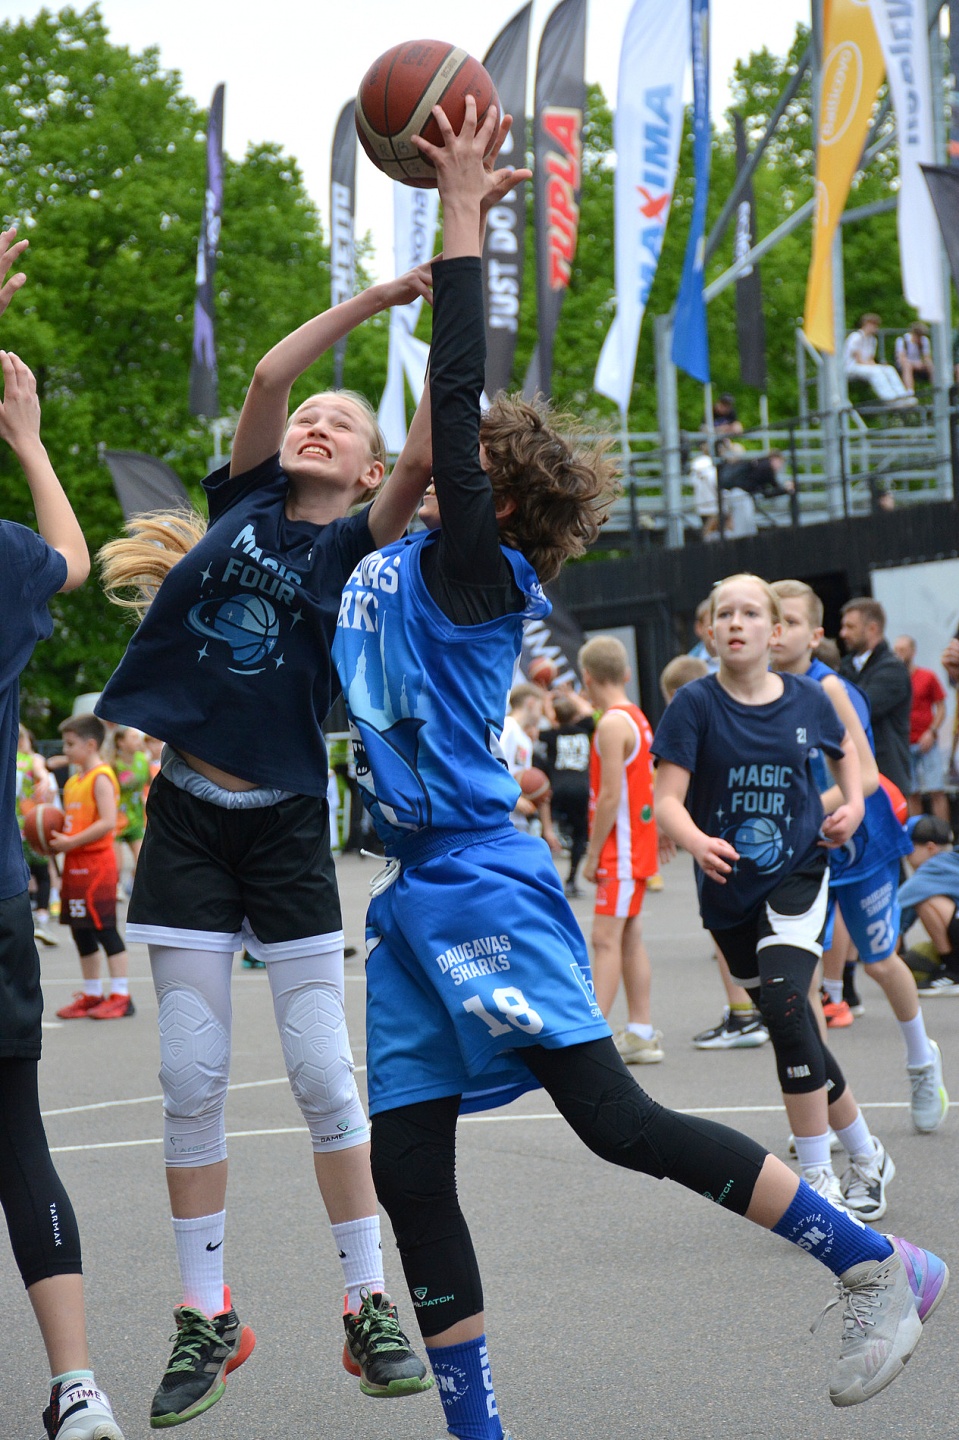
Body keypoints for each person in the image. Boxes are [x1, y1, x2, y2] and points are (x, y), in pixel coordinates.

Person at [332, 101, 948, 1435]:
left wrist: (456, 208)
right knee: (405, 1168)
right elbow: (397, 426)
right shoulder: (383, 554)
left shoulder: (468, 573)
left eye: (461, 457)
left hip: (483, 880)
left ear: (492, 497)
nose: (435, 454)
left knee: (613, 1121)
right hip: (412, 896)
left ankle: (875, 1262)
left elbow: (454, 382)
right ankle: (476, 1429)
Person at [94, 242, 454, 1422]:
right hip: (188, 818)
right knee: (188, 1076)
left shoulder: (355, 546)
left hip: (287, 822)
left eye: (340, 424)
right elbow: (265, 375)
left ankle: (366, 1304)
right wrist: (375, 297)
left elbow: (424, 452)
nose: (314, 422)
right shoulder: (244, 499)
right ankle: (205, 1314)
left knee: (320, 1076)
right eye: (310, 416)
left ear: (364, 472)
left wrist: (444, 302)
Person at [654, 574, 895, 1217]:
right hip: (727, 887)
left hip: (797, 869)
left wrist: (850, 803)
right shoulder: (694, 705)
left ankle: (817, 1180)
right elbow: (666, 801)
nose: (737, 622)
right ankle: (866, 1151)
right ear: (710, 632)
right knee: (792, 1026)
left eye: (751, 613)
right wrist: (697, 840)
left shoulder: (808, 698)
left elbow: (847, 756)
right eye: (725, 613)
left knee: (789, 1009)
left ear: (776, 630)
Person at [0, 224, 127, 1440]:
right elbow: (76, 559)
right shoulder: (3, 565)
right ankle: (79, 1385)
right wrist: (30, 440)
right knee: (18, 1143)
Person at [771, 580, 947, 1147]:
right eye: (771, 620)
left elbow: (866, 776)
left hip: (862, 842)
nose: (777, 631)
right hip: (804, 851)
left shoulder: (831, 689)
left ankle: (922, 1059)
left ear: (814, 635)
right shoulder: (759, 690)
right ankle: (820, 1105)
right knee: (803, 982)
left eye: (790, 621)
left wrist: (804, 810)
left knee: (878, 961)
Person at [659, 655, 770, 1051]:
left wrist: (672, 826)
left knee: (726, 925)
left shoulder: (696, 720)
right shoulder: (736, 715)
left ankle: (744, 1015)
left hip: (716, 838)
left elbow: (674, 789)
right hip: (745, 834)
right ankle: (756, 1010)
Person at [579, 635, 662, 1063]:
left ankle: (591, 1044)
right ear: (626, 673)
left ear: (587, 678)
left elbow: (610, 796)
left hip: (621, 850)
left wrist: (593, 854)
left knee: (605, 940)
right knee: (628, 938)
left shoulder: (611, 725)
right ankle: (641, 1031)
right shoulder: (635, 717)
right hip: (635, 845)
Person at [50, 714, 133, 1021]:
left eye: (70, 744)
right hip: (74, 865)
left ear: (90, 745)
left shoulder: (101, 777)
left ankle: (122, 996)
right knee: (80, 931)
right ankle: (92, 993)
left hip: (97, 866)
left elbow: (108, 822)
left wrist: (71, 842)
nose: (65, 750)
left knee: (104, 928)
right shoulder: (74, 781)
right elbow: (72, 823)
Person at [839, 598, 912, 797]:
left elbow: (860, 709)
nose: (843, 633)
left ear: (872, 628)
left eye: (850, 627)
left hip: (888, 778)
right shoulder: (844, 666)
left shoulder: (892, 669)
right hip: (854, 778)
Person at [540, 690, 593, 898]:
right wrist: (571, 695)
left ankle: (544, 880)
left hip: (558, 789)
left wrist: (547, 701)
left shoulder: (551, 735)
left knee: (545, 831)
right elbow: (588, 711)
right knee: (580, 834)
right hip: (581, 789)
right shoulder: (585, 729)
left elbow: (548, 722)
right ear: (575, 715)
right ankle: (571, 880)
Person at [892, 634, 949, 822]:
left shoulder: (927, 676)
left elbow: (941, 707)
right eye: (896, 650)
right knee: (911, 792)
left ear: (913, 652)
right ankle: (916, 832)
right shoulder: (894, 680)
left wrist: (932, 731)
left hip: (926, 741)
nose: (899, 654)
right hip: (904, 743)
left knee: (936, 790)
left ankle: (944, 832)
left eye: (903, 650)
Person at [898, 814, 959, 992]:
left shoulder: (933, 868)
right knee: (916, 958)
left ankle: (953, 972)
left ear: (930, 848)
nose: (906, 857)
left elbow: (895, 909)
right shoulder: (952, 859)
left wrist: (886, 961)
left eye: (909, 848)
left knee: (926, 902)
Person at [16, 724, 58, 947]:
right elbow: (42, 774)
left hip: (16, 826)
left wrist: (43, 780)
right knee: (42, 874)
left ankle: (30, 919)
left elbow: (42, 773)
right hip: (29, 825)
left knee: (22, 874)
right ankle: (41, 918)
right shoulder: (32, 759)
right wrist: (45, 781)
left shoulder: (15, 759)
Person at [842, 314, 915, 405]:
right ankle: (890, 399)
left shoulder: (872, 340)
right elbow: (858, 359)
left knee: (889, 369)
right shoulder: (856, 337)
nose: (876, 328)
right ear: (867, 324)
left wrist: (878, 365)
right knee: (876, 372)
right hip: (851, 367)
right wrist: (875, 366)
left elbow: (870, 359)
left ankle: (903, 396)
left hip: (865, 366)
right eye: (874, 325)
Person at [111, 726, 150, 884]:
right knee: (117, 867)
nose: (138, 740)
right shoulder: (113, 764)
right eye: (133, 737)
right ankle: (115, 889)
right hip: (117, 819)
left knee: (143, 861)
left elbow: (150, 782)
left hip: (136, 817)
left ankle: (130, 886)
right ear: (121, 742)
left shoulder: (143, 760)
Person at [894, 322, 932, 393]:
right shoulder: (902, 340)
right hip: (905, 364)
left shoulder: (924, 340)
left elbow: (926, 357)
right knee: (907, 366)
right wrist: (914, 364)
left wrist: (926, 363)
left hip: (918, 363)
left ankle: (936, 387)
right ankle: (909, 391)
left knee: (931, 366)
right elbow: (902, 358)